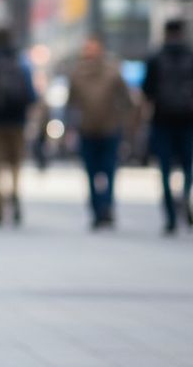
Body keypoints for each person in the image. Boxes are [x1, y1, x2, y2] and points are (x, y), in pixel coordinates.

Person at [67, 35, 134, 230]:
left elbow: (126, 100)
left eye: (92, 48)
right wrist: (71, 127)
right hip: (87, 130)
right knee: (91, 171)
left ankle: (106, 207)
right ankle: (98, 209)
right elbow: (71, 104)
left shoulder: (112, 71)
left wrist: (122, 120)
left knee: (108, 170)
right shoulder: (78, 73)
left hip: (109, 129)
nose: (90, 52)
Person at [0, 28, 36, 226]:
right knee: (16, 162)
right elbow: (31, 94)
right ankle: (15, 194)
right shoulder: (21, 61)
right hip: (17, 121)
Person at [141, 19, 193, 235]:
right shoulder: (190, 56)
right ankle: (184, 195)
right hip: (188, 120)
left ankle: (170, 215)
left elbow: (147, 90)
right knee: (188, 166)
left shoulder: (155, 58)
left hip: (162, 120)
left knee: (164, 169)